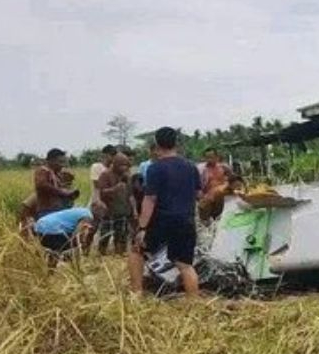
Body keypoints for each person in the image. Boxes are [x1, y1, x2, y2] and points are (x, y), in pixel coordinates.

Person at [129, 127, 202, 296]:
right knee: (185, 264)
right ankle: (194, 303)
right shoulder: (191, 167)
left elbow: (150, 199)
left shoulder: (155, 168)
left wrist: (142, 228)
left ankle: (136, 294)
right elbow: (198, 194)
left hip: (162, 220)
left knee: (136, 250)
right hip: (186, 220)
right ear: (176, 143)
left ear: (157, 144)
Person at [32, 204, 104, 267]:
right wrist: (82, 245)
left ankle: (46, 265)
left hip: (40, 227)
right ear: (99, 214)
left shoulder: (81, 210)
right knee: (72, 246)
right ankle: (72, 269)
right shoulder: (88, 216)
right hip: (52, 230)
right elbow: (78, 235)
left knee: (53, 248)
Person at [95, 152, 135, 255]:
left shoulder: (127, 176)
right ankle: (101, 255)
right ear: (115, 164)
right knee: (105, 236)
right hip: (109, 212)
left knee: (122, 236)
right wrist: (115, 189)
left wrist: (133, 210)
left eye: (126, 165)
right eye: (122, 165)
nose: (124, 168)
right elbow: (101, 192)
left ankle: (120, 255)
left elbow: (130, 195)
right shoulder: (105, 174)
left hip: (123, 211)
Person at [33, 148, 79, 218]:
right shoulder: (43, 170)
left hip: (58, 211)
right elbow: (41, 185)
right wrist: (63, 192)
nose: (62, 165)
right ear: (51, 161)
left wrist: (69, 190)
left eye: (63, 162)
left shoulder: (57, 174)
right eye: (60, 162)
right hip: (47, 212)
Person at [197, 147, 234, 223]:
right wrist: (200, 194)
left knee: (218, 192)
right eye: (207, 157)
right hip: (208, 194)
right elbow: (198, 185)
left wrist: (225, 185)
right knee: (203, 204)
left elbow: (234, 180)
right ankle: (207, 221)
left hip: (223, 191)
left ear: (217, 157)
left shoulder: (224, 167)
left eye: (211, 157)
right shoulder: (202, 169)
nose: (209, 159)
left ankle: (217, 217)